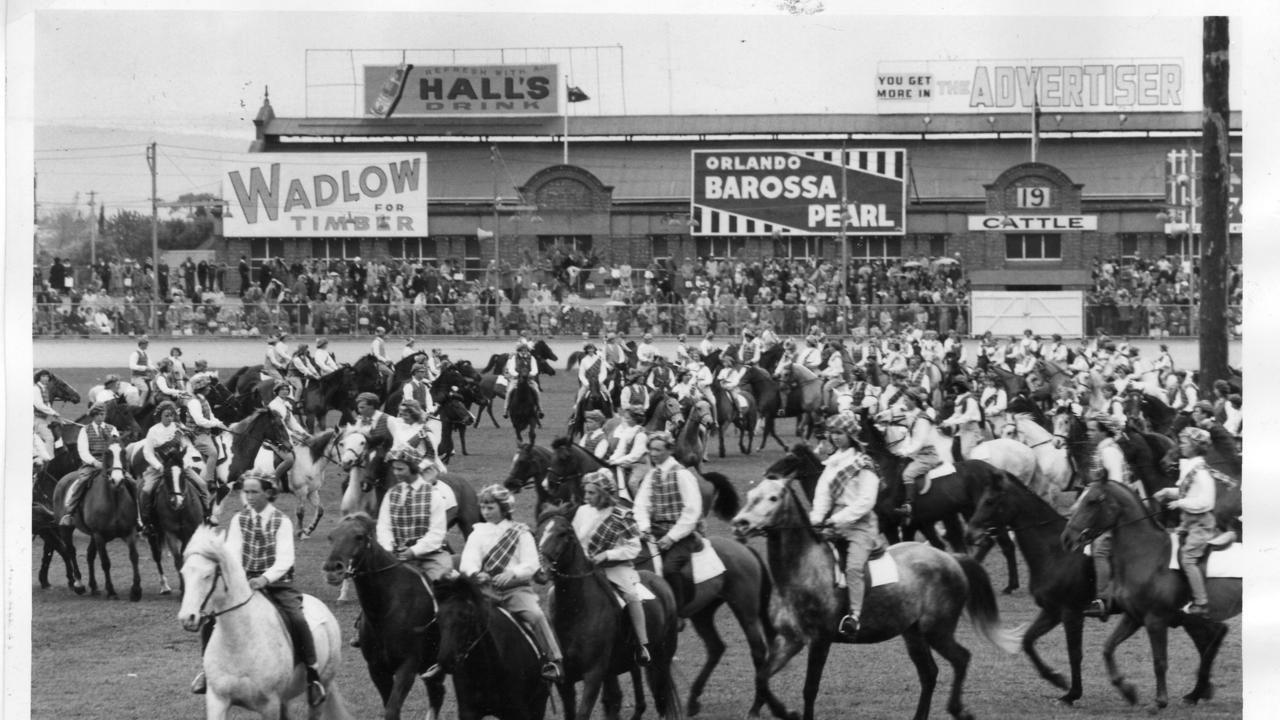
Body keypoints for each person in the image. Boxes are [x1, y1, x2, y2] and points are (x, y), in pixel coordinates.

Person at [190, 471, 327, 707]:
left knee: (296, 617)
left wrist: (264, 579)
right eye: (246, 492)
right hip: (244, 582)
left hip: (277, 583)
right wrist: (241, 579)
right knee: (212, 616)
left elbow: (285, 559)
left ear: (269, 493)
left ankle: (312, 674)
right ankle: (207, 670)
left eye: (255, 492)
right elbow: (233, 553)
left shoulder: (281, 522)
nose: (249, 496)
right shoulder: (238, 520)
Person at [435, 484, 564, 682]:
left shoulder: (521, 533)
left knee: (536, 615)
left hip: (516, 590)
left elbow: (531, 564)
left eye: (490, 508)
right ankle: (447, 659)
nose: (485, 512)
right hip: (486, 591)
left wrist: (513, 573)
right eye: (483, 508)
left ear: (504, 509)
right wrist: (477, 574)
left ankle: (552, 660)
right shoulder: (477, 533)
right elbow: (469, 562)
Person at [811, 413, 881, 638]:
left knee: (853, 567)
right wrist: (816, 518)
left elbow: (866, 501)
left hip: (860, 524)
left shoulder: (864, 464)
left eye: (840, 433)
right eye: (833, 433)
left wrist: (837, 519)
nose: (835, 437)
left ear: (851, 435)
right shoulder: (832, 462)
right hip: (833, 520)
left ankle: (855, 616)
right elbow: (822, 495)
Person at [573, 470, 651, 664]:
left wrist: (607, 555)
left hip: (615, 567)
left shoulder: (622, 515)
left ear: (603, 493)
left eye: (591, 493)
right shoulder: (582, 511)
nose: (586, 497)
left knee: (631, 595)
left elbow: (634, 547)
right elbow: (575, 540)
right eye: (586, 492)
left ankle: (642, 644)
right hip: (586, 568)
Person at [633, 431, 702, 613]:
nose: (653, 454)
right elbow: (641, 504)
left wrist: (671, 538)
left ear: (670, 450)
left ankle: (677, 612)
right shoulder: (652, 475)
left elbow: (692, 511)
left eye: (658, 450)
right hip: (655, 531)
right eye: (651, 450)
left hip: (680, 534)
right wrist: (645, 528)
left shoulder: (682, 475)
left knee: (670, 568)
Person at [1152, 428, 1217, 617]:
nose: (1180, 445)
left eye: (1184, 442)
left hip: (1201, 523)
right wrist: (1167, 491)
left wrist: (1181, 502)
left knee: (1188, 557)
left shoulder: (1201, 472)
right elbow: (1186, 492)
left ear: (1195, 446)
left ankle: (1201, 602)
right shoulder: (1191, 466)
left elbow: (1206, 501)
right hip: (1188, 521)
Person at [1078, 411, 1136, 620]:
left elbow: (1115, 485)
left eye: (1093, 430)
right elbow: (1097, 484)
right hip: (1106, 506)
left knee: (1100, 548)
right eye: (1089, 429)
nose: (1089, 433)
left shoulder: (1109, 452)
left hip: (1116, 510)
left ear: (1103, 432)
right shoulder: (1105, 449)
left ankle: (1102, 600)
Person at [376, 447, 453, 581]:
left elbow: (437, 533)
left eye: (400, 469)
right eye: (394, 468)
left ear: (413, 468)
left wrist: (413, 551)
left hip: (430, 556)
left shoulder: (433, 495)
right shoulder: (391, 494)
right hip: (396, 555)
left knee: (442, 581)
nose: (395, 473)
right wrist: (389, 549)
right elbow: (383, 526)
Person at [138, 401, 207, 533]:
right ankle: (147, 523)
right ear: (160, 416)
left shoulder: (177, 429)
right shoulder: (153, 431)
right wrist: (158, 466)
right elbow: (148, 452)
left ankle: (206, 515)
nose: (170, 418)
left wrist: (184, 464)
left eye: (172, 415)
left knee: (202, 485)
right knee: (146, 491)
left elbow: (186, 447)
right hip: (160, 467)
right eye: (167, 415)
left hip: (179, 466)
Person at [59, 402, 125, 525]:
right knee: (82, 481)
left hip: (111, 463)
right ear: (94, 416)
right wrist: (94, 462)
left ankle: (137, 516)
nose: (102, 417)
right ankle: (69, 512)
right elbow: (82, 450)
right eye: (99, 414)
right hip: (92, 464)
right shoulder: (85, 430)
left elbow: (117, 446)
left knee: (130, 481)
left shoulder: (112, 429)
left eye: (103, 414)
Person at [887, 388, 942, 520]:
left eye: (906, 400)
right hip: (917, 454)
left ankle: (909, 506)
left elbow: (919, 442)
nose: (904, 402)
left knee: (908, 473)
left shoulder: (922, 418)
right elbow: (909, 438)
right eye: (904, 400)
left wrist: (905, 451)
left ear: (914, 401)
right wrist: (900, 450)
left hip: (927, 455)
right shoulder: (912, 415)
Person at [186, 374, 229, 516]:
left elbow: (210, 416)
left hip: (206, 431)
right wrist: (215, 424)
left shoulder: (203, 399)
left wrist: (220, 423)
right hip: (197, 433)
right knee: (213, 452)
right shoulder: (194, 402)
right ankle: (210, 480)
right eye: (207, 386)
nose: (209, 388)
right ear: (202, 388)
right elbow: (199, 421)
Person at [352, 392, 395, 493]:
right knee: (346, 484)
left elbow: (399, 440)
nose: (359, 411)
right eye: (358, 408)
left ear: (372, 406)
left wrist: (391, 453)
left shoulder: (389, 420)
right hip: (368, 459)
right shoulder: (360, 421)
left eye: (362, 407)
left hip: (386, 460)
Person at [606, 407, 650, 501]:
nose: (625, 420)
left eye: (628, 418)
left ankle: (639, 503)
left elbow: (635, 456)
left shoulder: (641, 434)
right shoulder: (627, 431)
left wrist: (617, 461)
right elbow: (620, 450)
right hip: (629, 462)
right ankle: (622, 493)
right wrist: (612, 459)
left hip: (641, 464)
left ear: (635, 420)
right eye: (625, 418)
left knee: (632, 482)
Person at [941, 380, 983, 458]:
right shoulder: (960, 399)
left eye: (956, 389)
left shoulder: (970, 400)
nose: (955, 390)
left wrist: (951, 423)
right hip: (962, 429)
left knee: (966, 452)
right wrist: (945, 422)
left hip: (971, 429)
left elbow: (967, 417)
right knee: (955, 449)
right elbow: (956, 414)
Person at [502, 343, 544, 420]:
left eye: (526, 350)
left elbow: (535, 369)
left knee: (537, 391)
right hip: (516, 379)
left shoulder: (532, 358)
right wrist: (518, 375)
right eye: (522, 350)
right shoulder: (513, 358)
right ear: (519, 350)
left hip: (529, 379)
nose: (524, 351)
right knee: (509, 391)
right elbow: (511, 369)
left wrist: (530, 374)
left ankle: (540, 410)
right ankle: (506, 410)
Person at [33, 369, 63, 460]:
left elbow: (47, 404)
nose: (46, 378)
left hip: (45, 419)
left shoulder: (44, 389)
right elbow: (39, 405)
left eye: (47, 376)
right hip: (38, 419)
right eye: (43, 376)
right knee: (49, 438)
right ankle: (49, 460)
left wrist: (53, 414)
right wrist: (54, 413)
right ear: (39, 378)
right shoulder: (35, 389)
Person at [575, 343, 609, 407]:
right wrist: (586, 383)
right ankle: (576, 413)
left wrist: (599, 382)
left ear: (594, 350)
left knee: (607, 394)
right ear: (586, 350)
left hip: (598, 382)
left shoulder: (599, 359)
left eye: (592, 349)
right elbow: (581, 374)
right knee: (580, 395)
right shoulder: (583, 361)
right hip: (587, 383)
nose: (590, 350)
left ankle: (611, 412)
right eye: (589, 349)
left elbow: (603, 372)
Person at [819, 341, 846, 410]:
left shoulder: (837, 358)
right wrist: (823, 373)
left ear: (834, 348)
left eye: (830, 347)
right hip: (832, 377)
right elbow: (831, 368)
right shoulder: (833, 356)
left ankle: (826, 406)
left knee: (826, 388)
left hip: (837, 378)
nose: (829, 348)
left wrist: (826, 374)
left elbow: (838, 371)